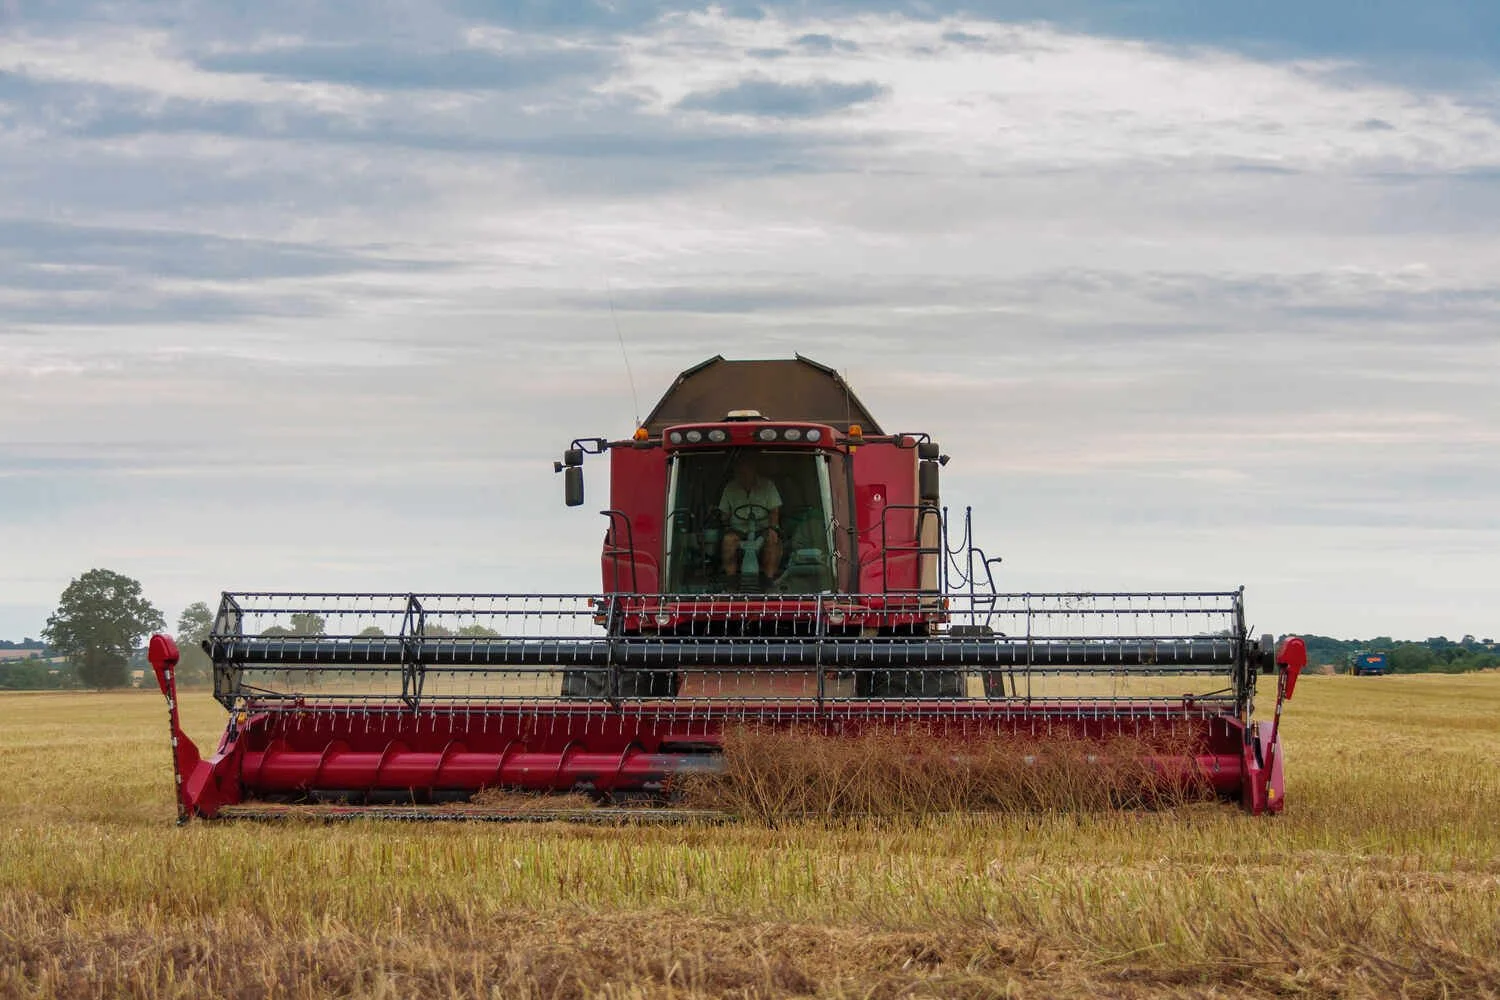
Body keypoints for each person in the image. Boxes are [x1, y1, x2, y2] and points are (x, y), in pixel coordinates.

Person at [718, 452, 782, 583]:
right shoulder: (730, 488)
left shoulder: (768, 486)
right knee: (728, 541)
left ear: (754, 469)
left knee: (772, 541)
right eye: (741, 469)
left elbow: (774, 511)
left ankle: (769, 582)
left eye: (747, 468)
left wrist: (773, 528)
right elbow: (724, 515)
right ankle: (731, 581)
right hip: (738, 530)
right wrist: (723, 521)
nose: (744, 472)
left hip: (762, 529)